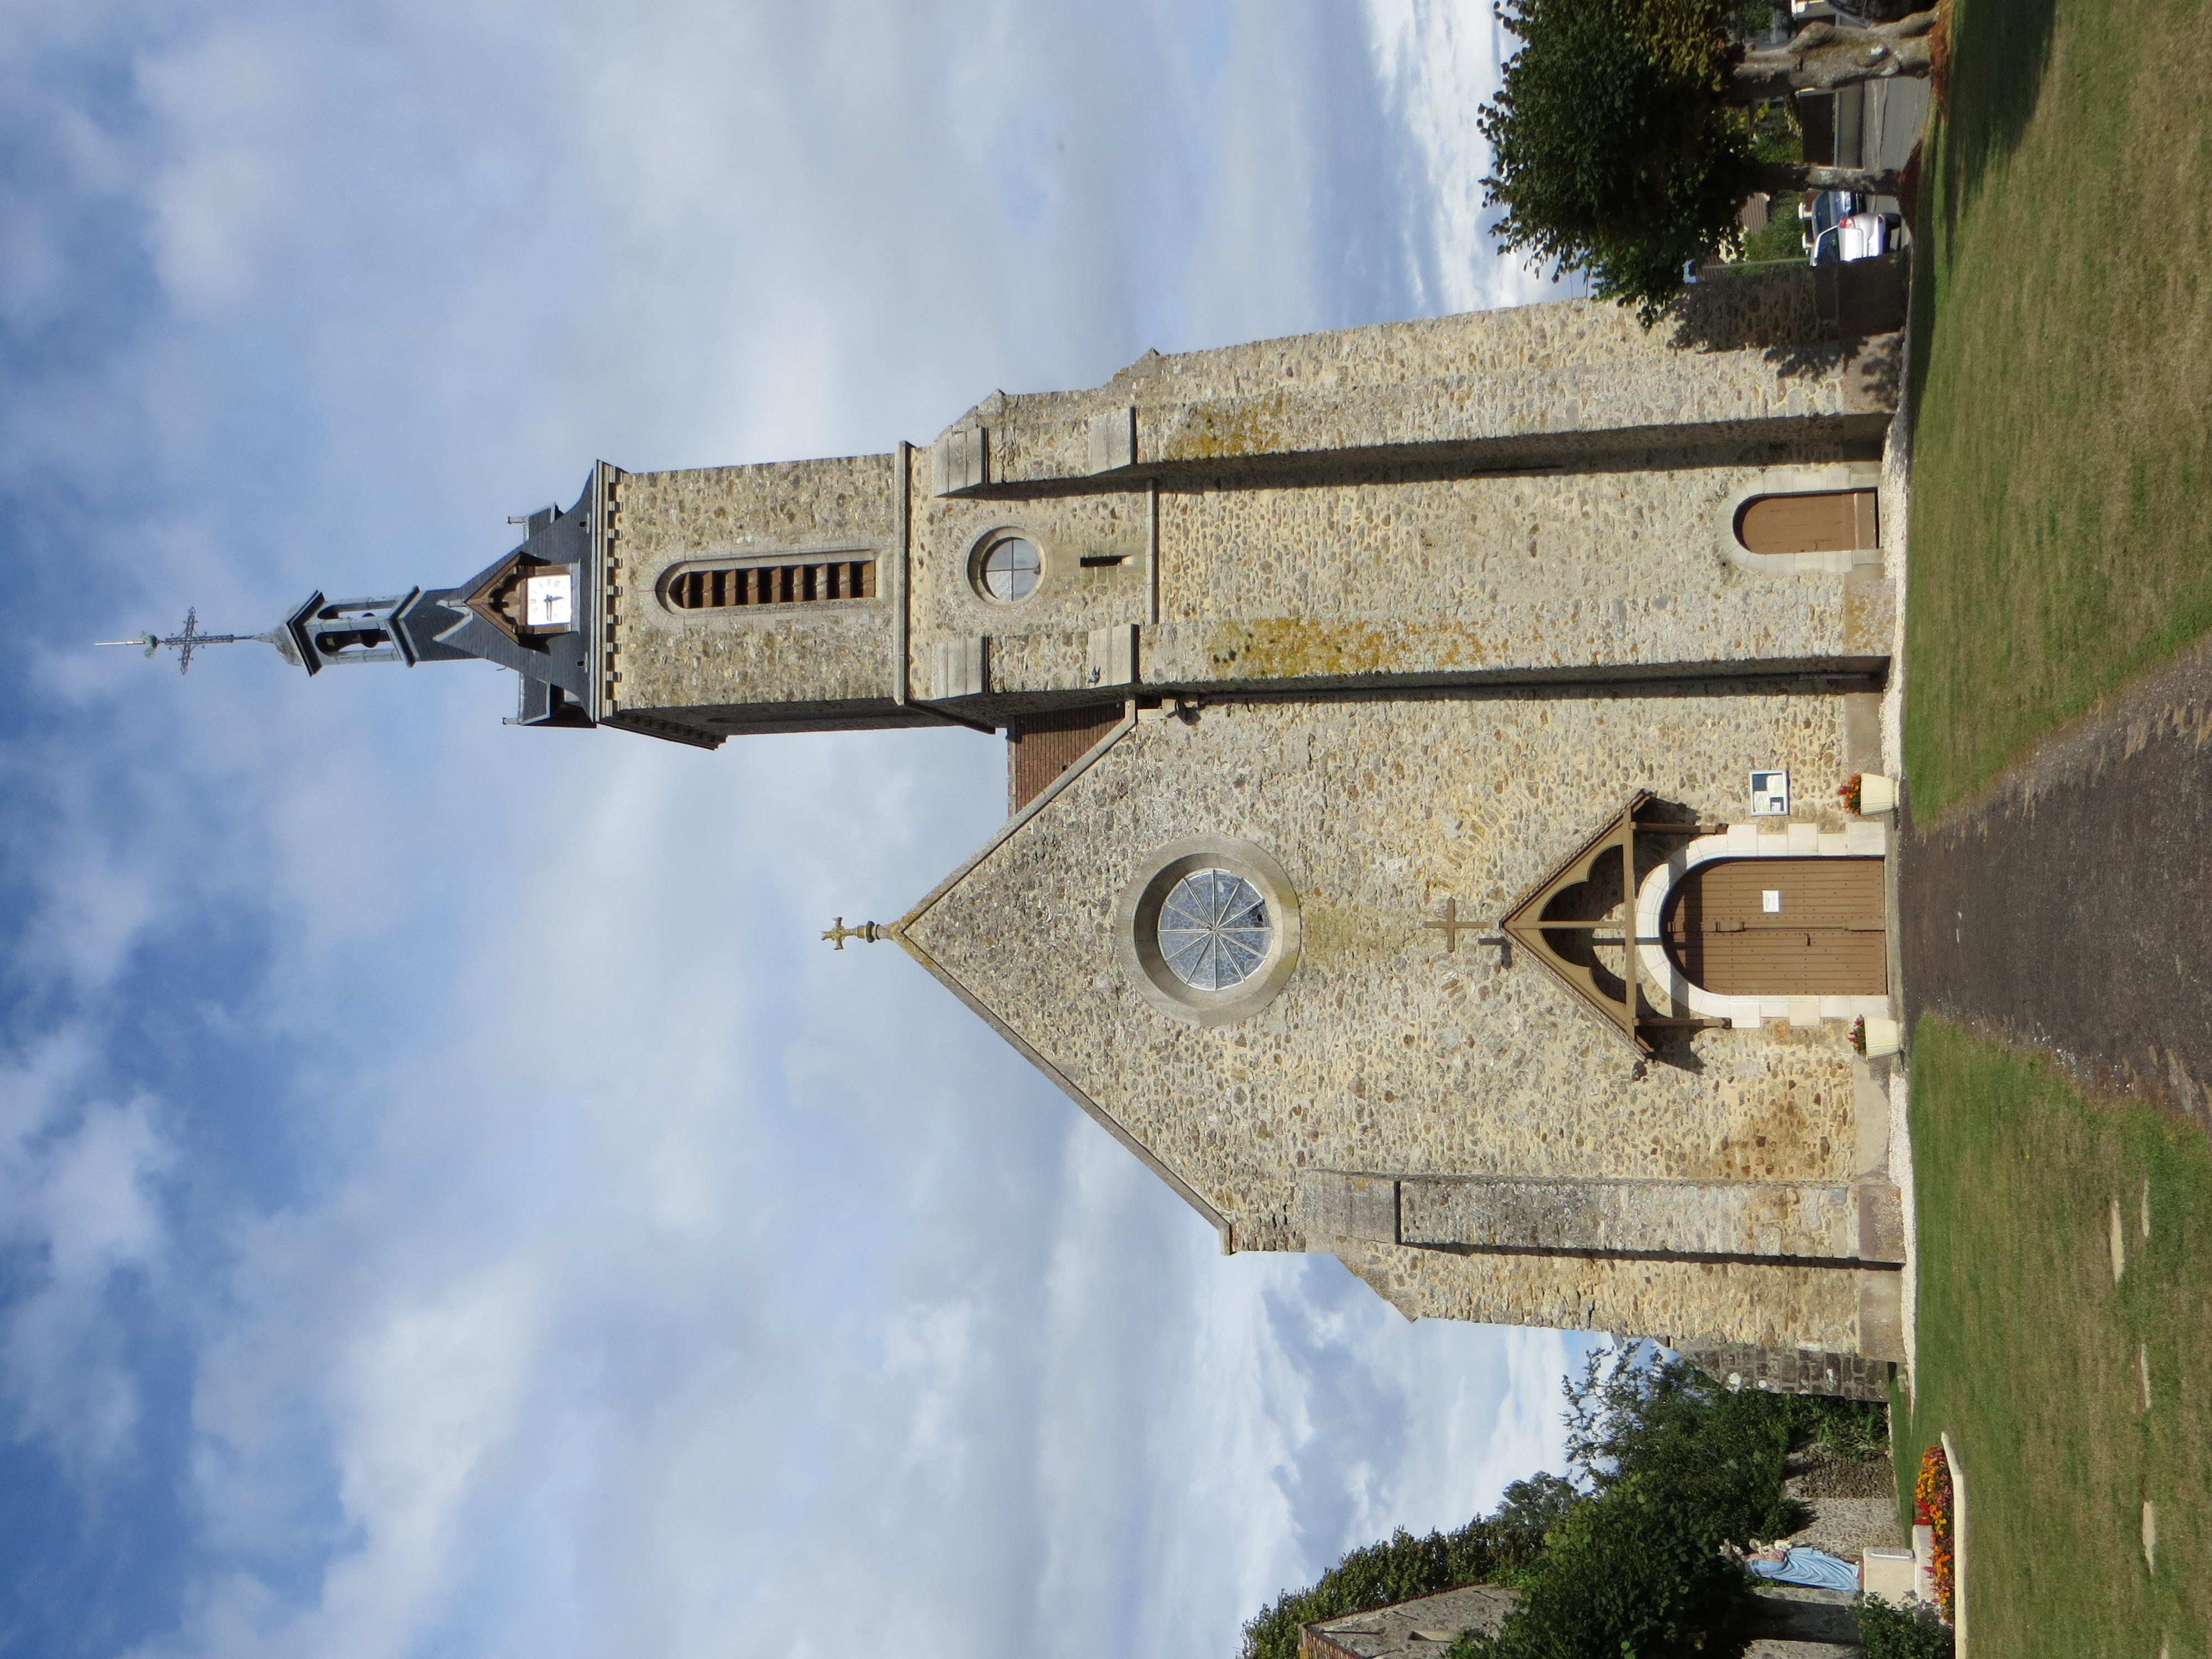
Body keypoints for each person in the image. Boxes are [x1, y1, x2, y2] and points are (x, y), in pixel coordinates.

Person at [1740, 1540, 1863, 1595]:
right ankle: (1853, 1577)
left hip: (1802, 1561)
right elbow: (1779, 1563)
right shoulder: (1752, 1567)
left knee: (1832, 1563)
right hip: (1804, 1569)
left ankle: (1852, 1570)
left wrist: (1766, 1549)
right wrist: (1771, 1549)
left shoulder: (1752, 1560)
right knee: (1830, 1573)